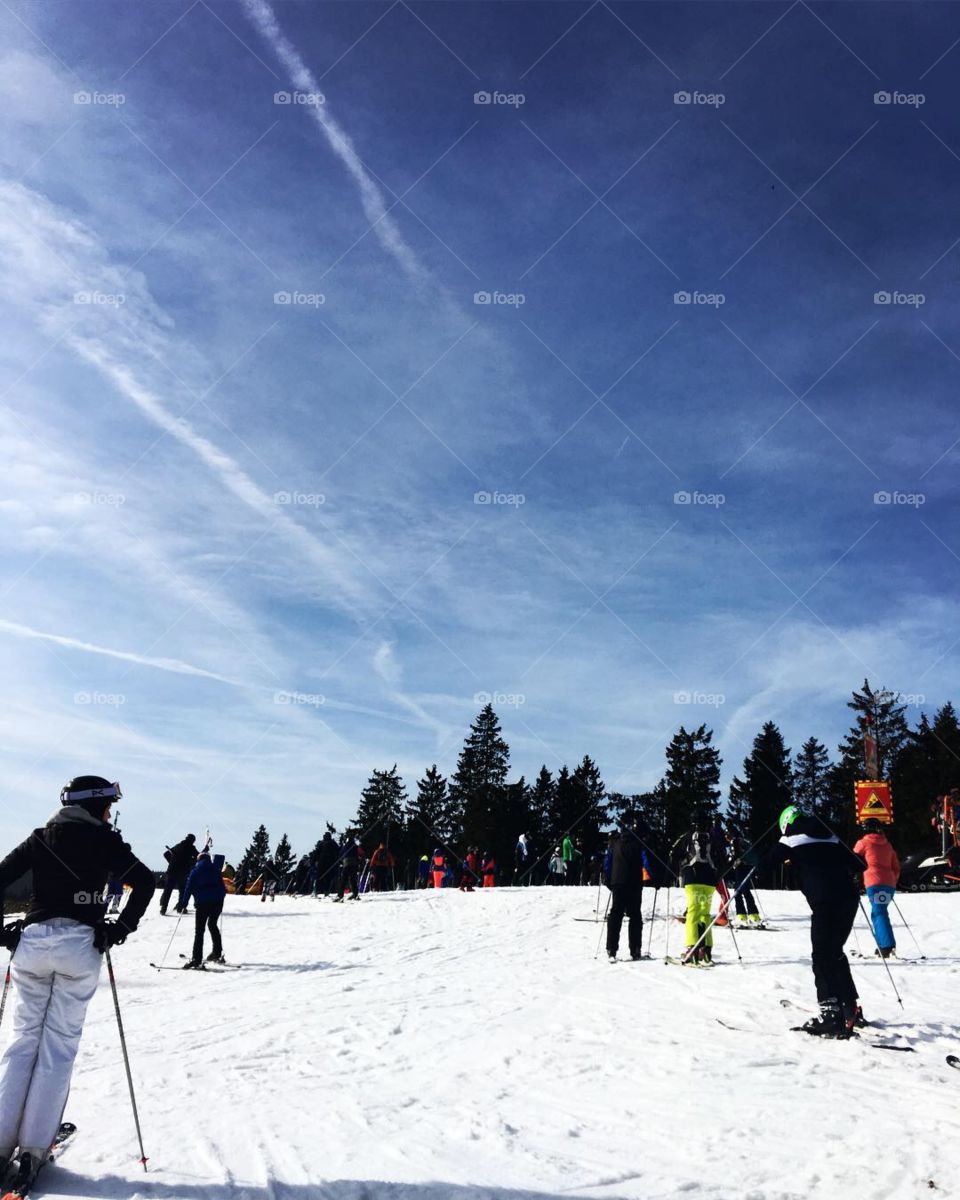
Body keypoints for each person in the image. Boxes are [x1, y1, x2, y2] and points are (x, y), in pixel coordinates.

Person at [0, 776, 154, 1193]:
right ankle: (33, 1149)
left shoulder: (41, 837)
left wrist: (6, 935)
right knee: (57, 1048)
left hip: (31, 946)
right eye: (108, 805)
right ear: (97, 805)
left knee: (22, 1042)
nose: (110, 812)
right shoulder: (106, 841)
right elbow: (145, 881)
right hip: (78, 947)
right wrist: (117, 929)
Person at [756, 806, 866, 1038]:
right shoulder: (830, 836)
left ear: (786, 823)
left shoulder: (790, 841)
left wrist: (790, 859)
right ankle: (850, 1005)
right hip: (848, 899)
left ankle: (830, 1014)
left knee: (822, 955)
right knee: (834, 952)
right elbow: (860, 864)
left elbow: (763, 867)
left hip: (825, 902)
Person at [852, 819, 900, 958]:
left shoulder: (863, 843)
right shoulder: (887, 845)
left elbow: (853, 861)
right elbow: (896, 866)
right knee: (878, 912)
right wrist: (891, 878)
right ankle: (882, 945)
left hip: (874, 883)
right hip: (888, 884)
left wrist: (855, 878)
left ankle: (887, 947)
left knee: (879, 912)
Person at [606, 819, 648, 961]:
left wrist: (608, 880)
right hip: (635, 883)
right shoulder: (639, 844)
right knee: (635, 915)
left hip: (617, 882)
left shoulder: (615, 844)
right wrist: (652, 878)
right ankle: (635, 949)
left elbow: (608, 862)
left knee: (615, 914)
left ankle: (611, 949)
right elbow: (646, 861)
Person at [180, 848, 227, 968]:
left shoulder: (196, 871)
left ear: (198, 860)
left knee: (199, 931)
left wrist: (184, 903)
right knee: (212, 925)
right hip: (217, 902)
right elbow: (223, 887)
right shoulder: (215, 869)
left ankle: (197, 959)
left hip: (202, 903)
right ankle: (217, 953)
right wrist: (220, 898)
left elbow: (188, 888)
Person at [680, 831, 719, 963]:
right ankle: (706, 951)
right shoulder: (710, 836)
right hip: (709, 879)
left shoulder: (687, 836)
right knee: (705, 914)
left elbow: (675, 854)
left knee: (692, 913)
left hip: (692, 877)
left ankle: (693, 950)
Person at [727, 830, 762, 927]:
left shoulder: (735, 841)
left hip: (741, 867)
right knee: (746, 890)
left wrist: (729, 863)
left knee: (737, 891)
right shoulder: (745, 841)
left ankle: (741, 915)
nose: (727, 838)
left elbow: (734, 855)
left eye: (727, 835)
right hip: (749, 867)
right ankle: (753, 915)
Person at [159, 833, 197, 914]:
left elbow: (166, 854)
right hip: (182, 872)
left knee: (168, 890)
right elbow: (198, 857)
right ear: (193, 841)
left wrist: (172, 862)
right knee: (182, 890)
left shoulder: (178, 845)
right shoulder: (191, 848)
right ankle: (180, 908)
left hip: (171, 871)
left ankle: (163, 909)